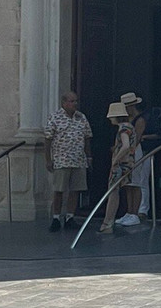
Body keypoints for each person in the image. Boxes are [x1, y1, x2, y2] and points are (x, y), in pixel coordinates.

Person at [43, 91, 92, 232]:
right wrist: (48, 159)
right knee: (59, 190)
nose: (75, 104)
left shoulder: (81, 117)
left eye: (76, 101)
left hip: (78, 160)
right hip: (61, 159)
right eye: (71, 101)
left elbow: (87, 137)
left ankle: (70, 217)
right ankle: (56, 217)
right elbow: (48, 139)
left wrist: (89, 157)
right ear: (64, 103)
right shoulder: (55, 118)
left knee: (75, 190)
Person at [99, 101, 135, 234]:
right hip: (128, 163)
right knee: (115, 192)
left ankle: (108, 222)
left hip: (121, 164)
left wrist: (116, 158)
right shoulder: (130, 126)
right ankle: (109, 221)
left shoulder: (123, 128)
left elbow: (125, 146)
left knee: (113, 192)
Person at [116, 91, 146, 226]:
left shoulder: (139, 120)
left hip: (134, 152)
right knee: (128, 183)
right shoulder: (127, 121)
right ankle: (129, 212)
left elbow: (137, 139)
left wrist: (127, 151)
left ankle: (135, 212)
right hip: (127, 152)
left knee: (136, 182)